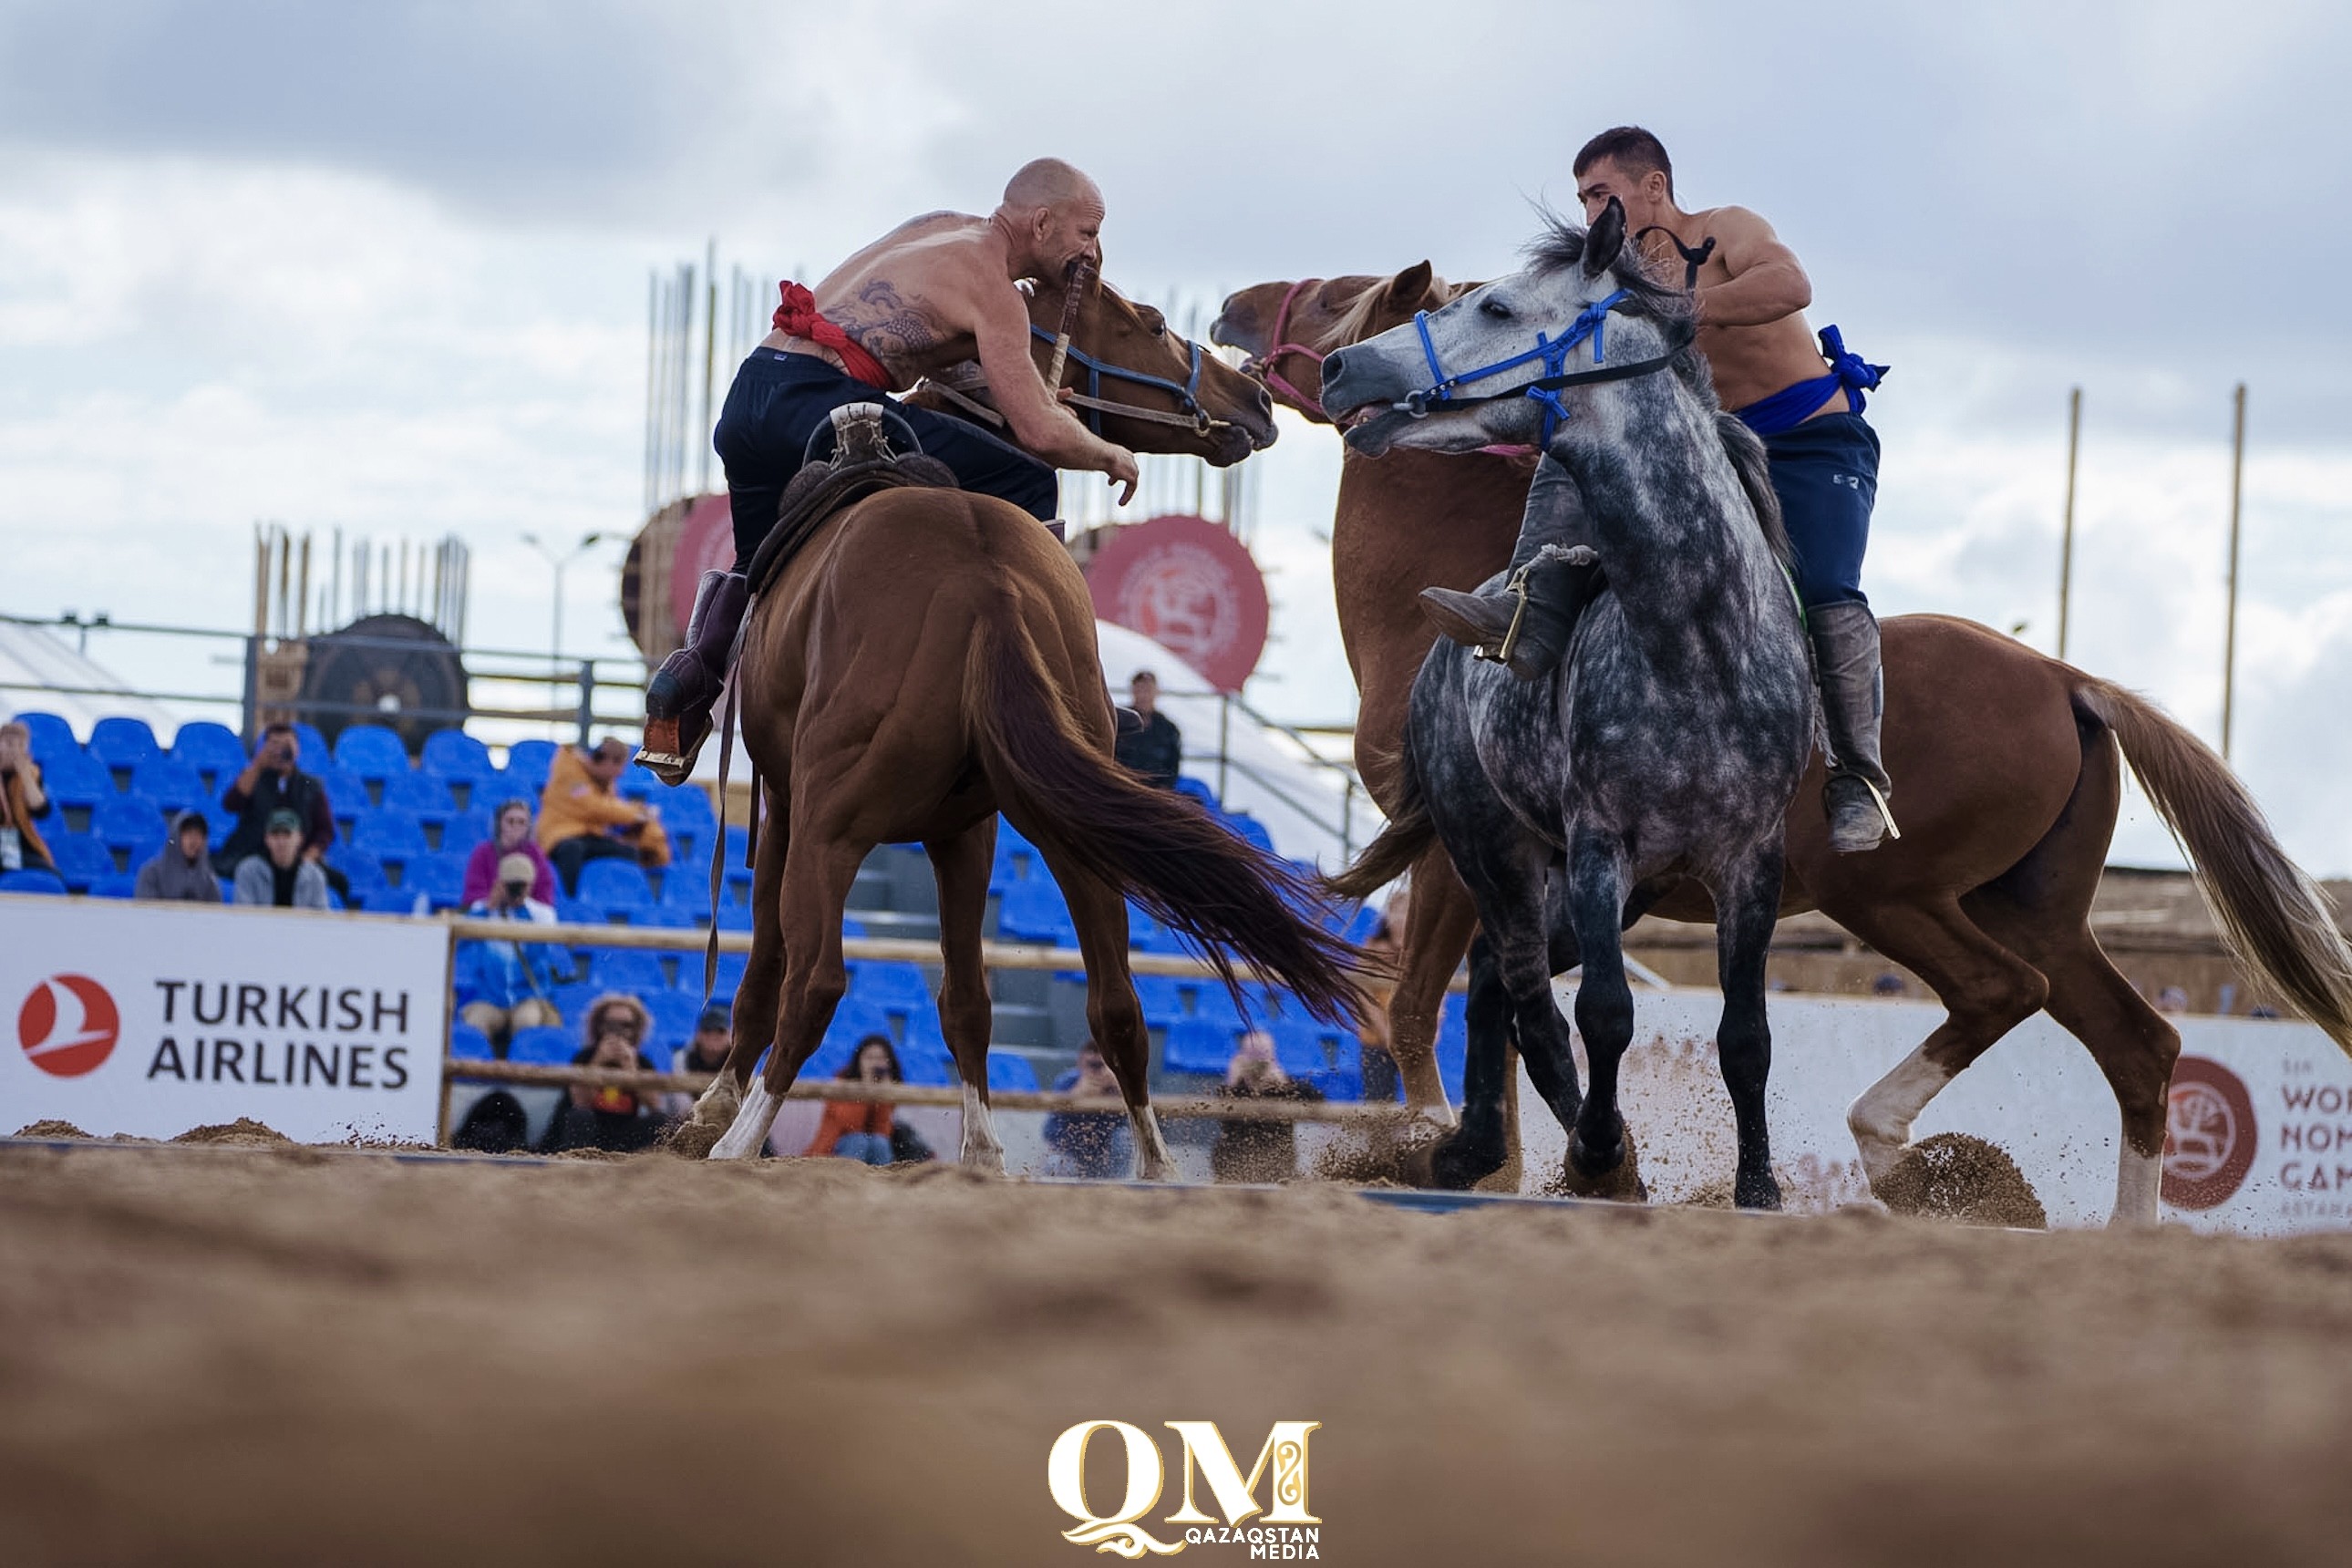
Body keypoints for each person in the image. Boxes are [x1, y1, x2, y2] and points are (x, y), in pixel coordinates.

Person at [1418, 126, 1896, 853]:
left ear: (1652, 188)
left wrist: (1671, 309)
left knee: (1826, 587)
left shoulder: (1725, 230)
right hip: (1712, 450)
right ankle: (1524, 605)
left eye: (1601, 194)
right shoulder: (1610, 276)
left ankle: (1858, 777)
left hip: (1810, 444)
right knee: (1573, 437)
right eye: (1582, 200)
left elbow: (1790, 286)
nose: (1590, 213)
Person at [641, 158, 1146, 779]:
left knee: (757, 563)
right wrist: (1109, 454)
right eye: (1087, 234)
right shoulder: (994, 290)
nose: (1094, 253)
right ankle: (1053, 673)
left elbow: (937, 358)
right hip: (822, 399)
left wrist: (1021, 392)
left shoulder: (937, 229)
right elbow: (1040, 433)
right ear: (1041, 223)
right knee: (1028, 477)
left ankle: (685, 692)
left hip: (752, 395)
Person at [214, 723, 346, 893]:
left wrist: (308, 857)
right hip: (253, 855)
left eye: (286, 746)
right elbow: (231, 804)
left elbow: (325, 830)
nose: (280, 752)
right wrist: (257, 765)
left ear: (296, 749)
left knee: (339, 883)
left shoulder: (310, 786)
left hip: (296, 859)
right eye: (274, 745)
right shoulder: (253, 778)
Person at [453, 852, 564, 1048]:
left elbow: (543, 951)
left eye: (521, 885)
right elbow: (460, 942)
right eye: (512, 885)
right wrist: (490, 907)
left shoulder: (542, 914)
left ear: (531, 885)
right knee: (474, 1025)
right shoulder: (484, 911)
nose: (516, 891)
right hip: (489, 996)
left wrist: (521, 912)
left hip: (527, 996)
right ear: (500, 883)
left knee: (527, 1024)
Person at [537, 737, 669, 896]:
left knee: (629, 852)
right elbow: (595, 807)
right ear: (607, 760)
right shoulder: (568, 772)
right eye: (619, 765)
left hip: (590, 836)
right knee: (572, 849)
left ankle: (621, 897)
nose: (620, 774)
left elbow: (613, 809)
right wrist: (639, 813)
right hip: (560, 836)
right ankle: (569, 903)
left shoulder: (605, 782)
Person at [1211, 1030, 1324, 1184]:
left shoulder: (1283, 1088)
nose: (1257, 1070)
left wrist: (1285, 1084)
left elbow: (1318, 1099)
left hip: (1279, 1167)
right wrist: (1232, 1083)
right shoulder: (1236, 1089)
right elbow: (1224, 1121)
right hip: (1234, 1165)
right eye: (1253, 1064)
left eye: (1262, 1064)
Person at [541, 1025, 666, 1154]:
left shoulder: (643, 1062)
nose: (618, 1034)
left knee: (658, 1121)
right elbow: (580, 1103)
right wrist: (597, 1062)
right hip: (589, 1130)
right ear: (598, 1026)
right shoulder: (585, 1057)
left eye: (626, 1025)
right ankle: (575, 1162)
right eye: (611, 1024)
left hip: (625, 1133)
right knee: (580, 1117)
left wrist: (631, 1068)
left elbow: (655, 1106)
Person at [804, 1035, 905, 1165]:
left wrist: (883, 1097)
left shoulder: (888, 1088)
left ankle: (881, 1184)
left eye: (881, 1058)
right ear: (859, 1060)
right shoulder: (841, 1084)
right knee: (858, 1141)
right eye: (869, 1058)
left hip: (869, 1152)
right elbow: (850, 1125)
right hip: (832, 1151)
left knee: (880, 1143)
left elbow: (882, 1132)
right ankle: (844, 1181)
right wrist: (865, 1087)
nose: (875, 1063)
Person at [1040, 1038, 1131, 1179]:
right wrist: (1075, 1096)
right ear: (1080, 1061)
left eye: (1101, 1065)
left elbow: (1139, 1124)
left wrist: (1122, 1091)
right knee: (1055, 1163)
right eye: (1092, 1065)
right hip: (1072, 1153)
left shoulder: (1121, 1083)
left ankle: (1117, 1186)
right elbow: (1049, 1131)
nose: (1096, 1071)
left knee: (1124, 1137)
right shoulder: (1067, 1082)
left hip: (1108, 1156)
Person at [460, 797, 558, 906]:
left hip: (526, 913)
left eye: (521, 822)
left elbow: (545, 894)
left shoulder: (536, 853)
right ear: (499, 823)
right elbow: (473, 895)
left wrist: (521, 902)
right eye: (510, 821)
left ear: (528, 827)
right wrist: (497, 899)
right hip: (490, 910)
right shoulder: (482, 852)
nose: (515, 826)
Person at [232, 808, 331, 909]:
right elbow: (243, 916)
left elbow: (321, 918)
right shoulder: (248, 871)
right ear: (267, 839)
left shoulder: (314, 876)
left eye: (287, 835)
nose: (281, 842)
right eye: (275, 835)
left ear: (300, 839)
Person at [662, 1006, 737, 1119]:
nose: (713, 1036)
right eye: (707, 1030)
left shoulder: (738, 1061)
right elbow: (680, 1101)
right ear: (697, 1034)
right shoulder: (682, 1058)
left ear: (729, 1035)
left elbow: (745, 1099)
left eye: (720, 1031)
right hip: (688, 1120)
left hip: (730, 1119)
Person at [0, 720, 55, 874]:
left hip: (21, 844)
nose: (14, 750)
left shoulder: (32, 774)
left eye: (20, 745)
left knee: (51, 875)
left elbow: (41, 811)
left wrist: (25, 776)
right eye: (9, 743)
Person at [1112, 669, 1181, 789]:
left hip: (1156, 793)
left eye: (1148, 690)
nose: (1144, 695)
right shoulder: (1118, 723)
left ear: (1157, 692)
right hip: (1121, 790)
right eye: (1140, 690)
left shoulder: (1168, 729)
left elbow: (1172, 769)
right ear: (1133, 691)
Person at [134, 810, 222, 902]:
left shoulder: (209, 880)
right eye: (188, 833)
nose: (194, 840)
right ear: (176, 837)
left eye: (199, 835)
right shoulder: (151, 874)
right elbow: (146, 911)